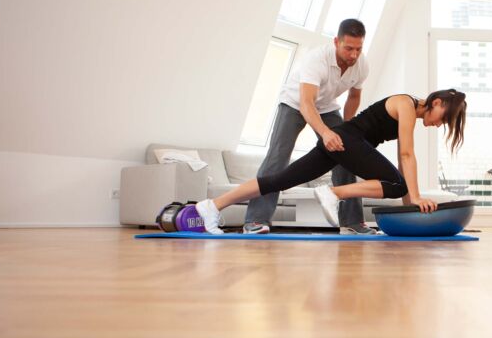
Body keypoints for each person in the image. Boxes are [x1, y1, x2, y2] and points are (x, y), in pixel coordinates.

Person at [194, 89, 467, 234]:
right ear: (438, 102)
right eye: (444, 119)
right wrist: (415, 197)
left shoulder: (409, 109)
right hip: (347, 140)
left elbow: (402, 157)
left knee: (279, 181)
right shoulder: (407, 105)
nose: (439, 124)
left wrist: (411, 206)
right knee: (396, 184)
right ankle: (333, 193)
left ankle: (211, 206)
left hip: (340, 141)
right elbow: (407, 155)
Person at [244, 18, 372, 235]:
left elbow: (354, 96)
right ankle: (256, 220)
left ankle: (352, 223)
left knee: (347, 155)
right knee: (278, 157)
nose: (353, 54)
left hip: (327, 107)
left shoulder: (361, 65)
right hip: (295, 103)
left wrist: (349, 128)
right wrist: (325, 133)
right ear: (336, 42)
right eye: (348, 48)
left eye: (358, 49)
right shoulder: (317, 60)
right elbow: (306, 103)